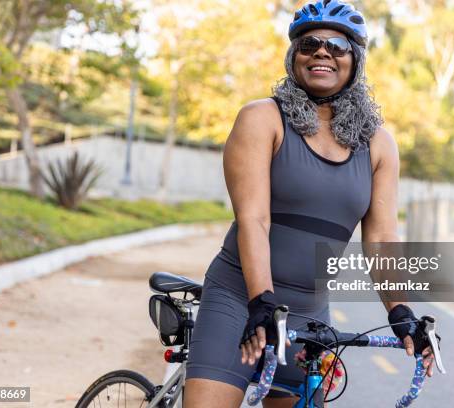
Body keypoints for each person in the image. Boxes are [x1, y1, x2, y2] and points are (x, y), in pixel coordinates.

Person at [183, 1, 436, 407]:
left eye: (337, 45)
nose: (322, 52)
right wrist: (260, 300)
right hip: (239, 300)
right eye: (310, 44)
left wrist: (402, 310)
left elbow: (383, 238)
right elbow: (253, 220)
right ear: (293, 57)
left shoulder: (378, 144)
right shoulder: (262, 118)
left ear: (356, 60)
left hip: (309, 317)